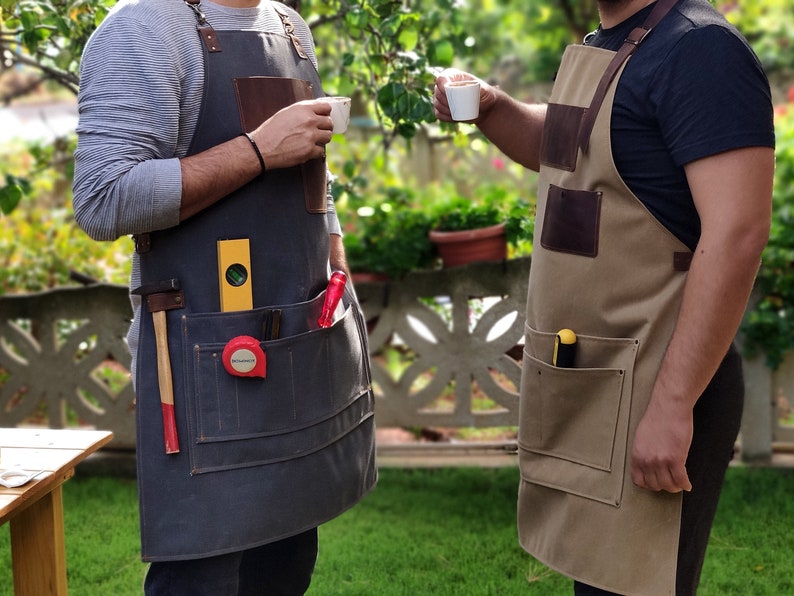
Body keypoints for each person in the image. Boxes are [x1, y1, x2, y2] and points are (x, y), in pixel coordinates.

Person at [434, 0, 774, 593]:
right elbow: (574, 145)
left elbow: (739, 233)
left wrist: (671, 408)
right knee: (598, 581)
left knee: (636, 583)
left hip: (659, 380)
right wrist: (493, 106)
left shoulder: (701, 50)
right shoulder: (611, 40)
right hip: (598, 379)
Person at [73, 1, 377, 594]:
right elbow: (102, 197)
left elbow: (312, 161)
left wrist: (334, 260)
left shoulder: (288, 24)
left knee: (288, 559)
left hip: (298, 332)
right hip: (201, 353)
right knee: (204, 568)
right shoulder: (145, 29)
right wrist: (258, 150)